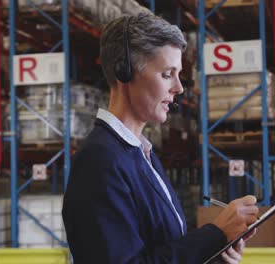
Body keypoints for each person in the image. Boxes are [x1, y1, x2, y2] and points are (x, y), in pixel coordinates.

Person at [62, 12, 259, 264]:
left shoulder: (141, 154)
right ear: (126, 72)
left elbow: (161, 251)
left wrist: (213, 253)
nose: (179, 87)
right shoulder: (100, 160)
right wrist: (215, 233)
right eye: (168, 74)